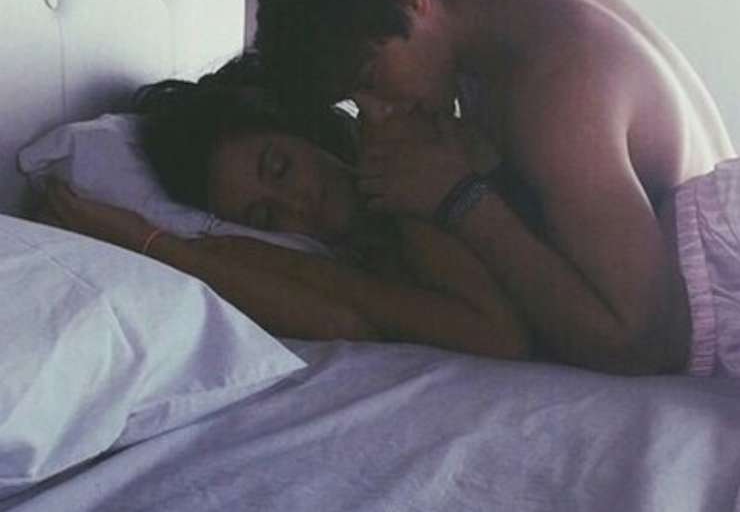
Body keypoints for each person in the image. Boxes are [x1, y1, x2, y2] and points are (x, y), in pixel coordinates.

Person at [252, 0, 738, 376]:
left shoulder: (557, 95)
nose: (375, 114)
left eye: (369, 79)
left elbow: (650, 343)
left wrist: (460, 199)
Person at [44, 58, 531, 361]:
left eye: (280, 168)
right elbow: (340, 325)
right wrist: (150, 244)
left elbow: (495, 338)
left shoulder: (400, 158)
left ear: (305, 129)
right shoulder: (346, 250)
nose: (296, 206)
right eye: (265, 218)